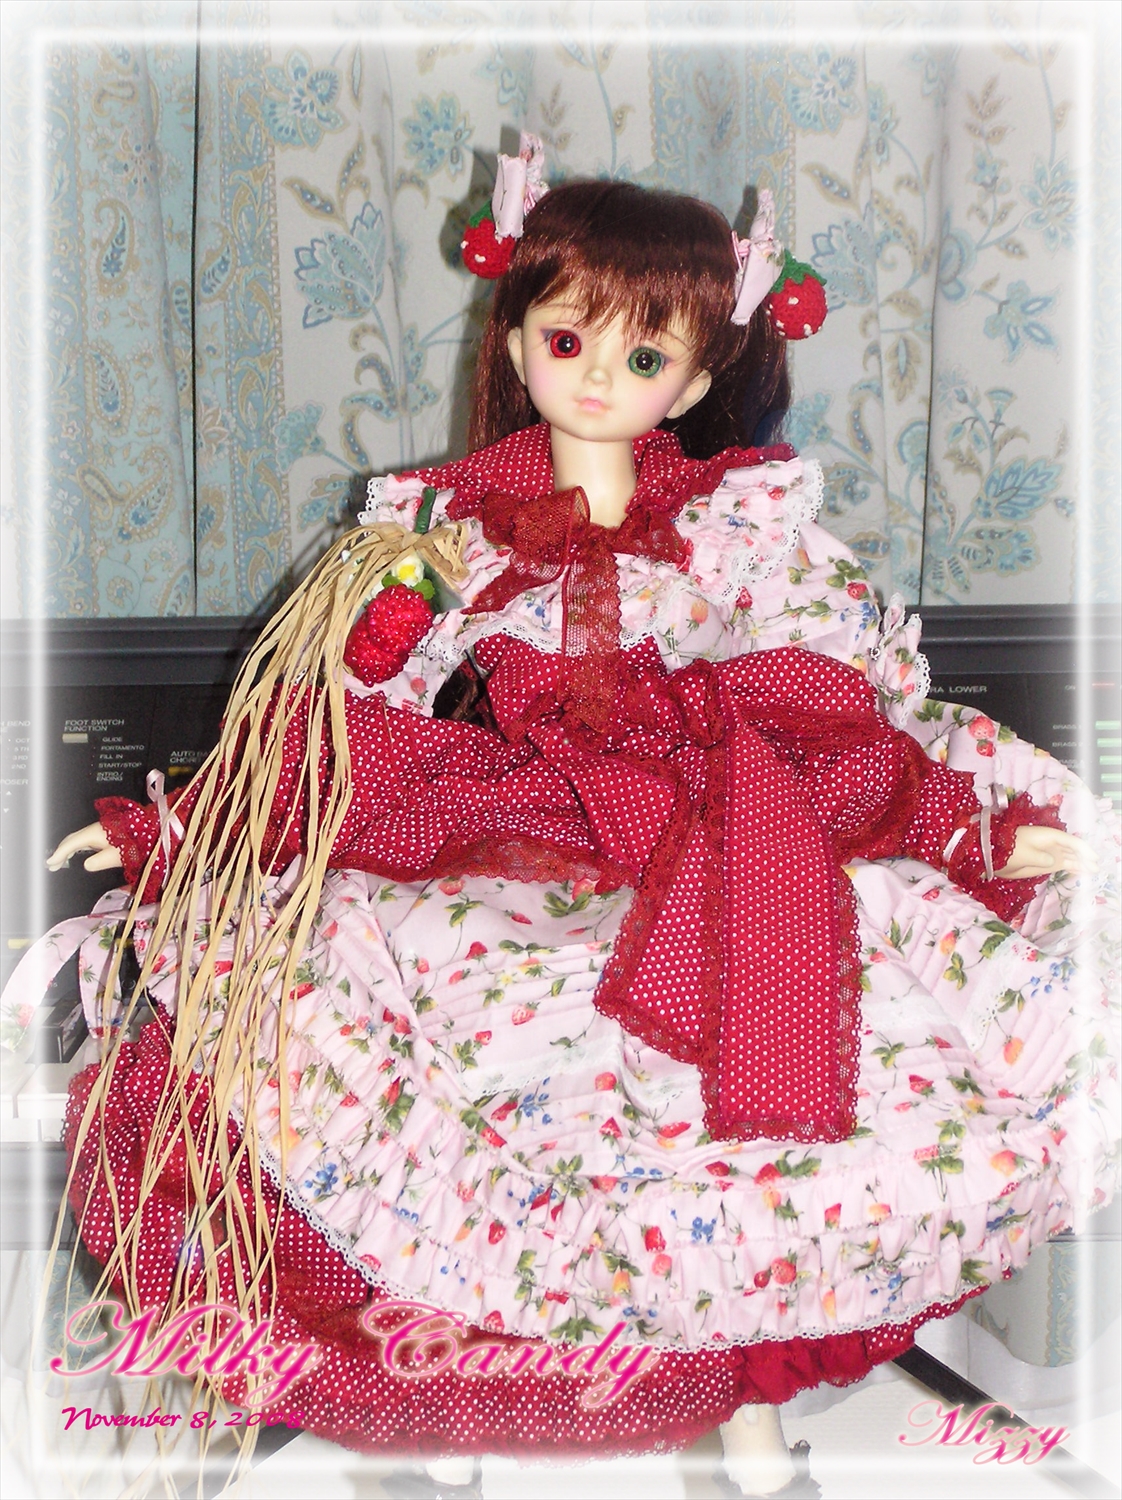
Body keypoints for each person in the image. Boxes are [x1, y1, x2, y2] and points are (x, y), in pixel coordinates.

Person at [35, 162, 1115, 1498]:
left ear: (698, 376)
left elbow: (850, 707)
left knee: (743, 1144)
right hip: (501, 833)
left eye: (645, 355)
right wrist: (198, 819)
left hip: (721, 840)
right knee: (463, 1107)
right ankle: (455, 1409)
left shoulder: (745, 531)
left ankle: (746, 1429)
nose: (601, 377)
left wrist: (974, 826)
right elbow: (351, 709)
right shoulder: (441, 531)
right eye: (568, 340)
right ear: (514, 340)